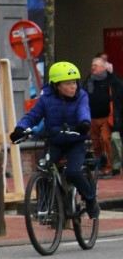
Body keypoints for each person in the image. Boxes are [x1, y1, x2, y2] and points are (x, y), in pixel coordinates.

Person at [11, 61, 99, 219]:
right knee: (44, 168)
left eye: (74, 82)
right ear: (56, 86)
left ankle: (91, 199)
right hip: (55, 141)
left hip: (75, 141)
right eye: (68, 83)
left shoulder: (81, 96)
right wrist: (20, 129)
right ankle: (44, 208)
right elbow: (32, 116)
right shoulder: (46, 99)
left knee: (73, 171)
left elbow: (83, 111)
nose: (73, 87)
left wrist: (84, 124)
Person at [85, 55, 123, 177]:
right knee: (96, 143)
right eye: (92, 66)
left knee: (106, 140)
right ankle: (99, 166)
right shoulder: (89, 80)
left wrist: (112, 73)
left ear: (103, 67)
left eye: (95, 66)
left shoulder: (110, 79)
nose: (93, 68)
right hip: (92, 118)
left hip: (106, 118)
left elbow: (120, 88)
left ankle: (109, 167)